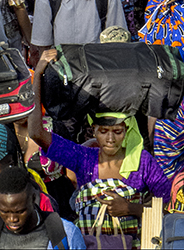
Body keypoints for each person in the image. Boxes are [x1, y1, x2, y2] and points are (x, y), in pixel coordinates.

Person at [29, 50, 169, 246]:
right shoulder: (84, 158)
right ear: (93, 130)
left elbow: (167, 207)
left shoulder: (142, 161)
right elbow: (36, 133)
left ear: (127, 130)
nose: (110, 139)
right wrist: (38, 74)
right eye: (103, 131)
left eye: (118, 132)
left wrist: (130, 208)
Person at [0, 166, 84, 250]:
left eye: (20, 211)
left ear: (33, 199)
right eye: (4, 211)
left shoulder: (66, 234)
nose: (12, 219)